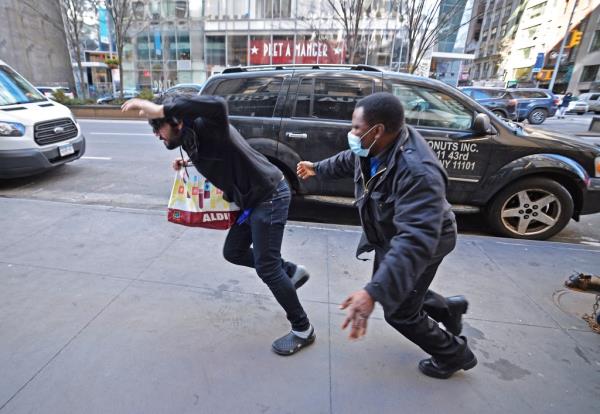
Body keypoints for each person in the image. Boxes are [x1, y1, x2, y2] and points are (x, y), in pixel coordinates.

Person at [297, 92, 476, 379]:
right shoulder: (375, 146)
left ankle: (455, 354)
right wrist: (317, 168)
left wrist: (372, 293)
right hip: (390, 237)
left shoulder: (418, 172)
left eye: (356, 127)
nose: (351, 133)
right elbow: (349, 160)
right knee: (398, 286)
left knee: (399, 311)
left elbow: (415, 241)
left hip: (424, 242)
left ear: (377, 130)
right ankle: (448, 309)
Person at [122, 95, 315, 355]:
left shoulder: (208, 124)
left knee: (267, 268)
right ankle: (290, 271)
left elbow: (218, 104)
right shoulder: (189, 138)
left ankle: (303, 329)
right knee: (233, 252)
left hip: (269, 196)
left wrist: (159, 108)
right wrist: (188, 163)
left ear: (176, 121)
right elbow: (220, 157)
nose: (157, 135)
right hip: (251, 200)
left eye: (158, 128)